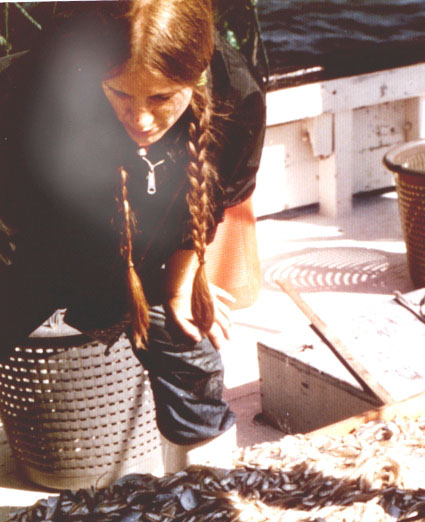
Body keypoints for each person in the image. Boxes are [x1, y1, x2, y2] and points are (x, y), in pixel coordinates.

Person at [0, 0, 266, 470]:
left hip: (150, 253)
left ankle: (203, 504)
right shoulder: (35, 88)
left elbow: (215, 200)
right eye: (120, 94)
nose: (140, 119)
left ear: (197, 77)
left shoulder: (237, 96)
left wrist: (181, 283)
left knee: (192, 351)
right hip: (36, 243)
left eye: (162, 97)